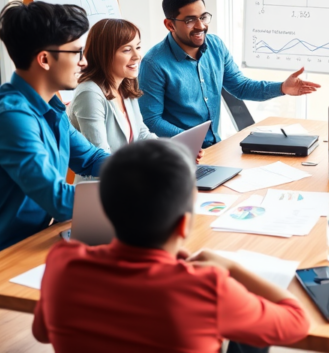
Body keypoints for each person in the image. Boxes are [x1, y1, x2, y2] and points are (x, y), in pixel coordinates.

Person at [32, 139, 310, 352]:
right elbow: (297, 321)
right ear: (183, 225)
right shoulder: (207, 287)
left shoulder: (63, 263)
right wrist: (232, 267)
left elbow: (43, 332)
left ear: (105, 210)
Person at [0, 1, 109, 272]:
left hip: (29, 240)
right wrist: (130, 193)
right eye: (77, 53)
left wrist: (143, 169)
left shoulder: (50, 105)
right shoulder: (9, 117)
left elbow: (89, 158)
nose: (84, 62)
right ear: (45, 59)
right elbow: (60, 201)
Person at [139, 0, 320, 147]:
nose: (200, 26)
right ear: (170, 24)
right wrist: (190, 141)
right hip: (179, 153)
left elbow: (240, 87)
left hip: (215, 146)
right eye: (190, 20)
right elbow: (152, 119)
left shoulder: (216, 46)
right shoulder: (154, 64)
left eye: (203, 17)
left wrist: (282, 88)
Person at [69, 18, 157, 156]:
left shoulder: (125, 84)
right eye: (127, 50)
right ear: (104, 54)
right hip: (106, 176)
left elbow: (141, 134)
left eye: (138, 47)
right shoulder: (89, 93)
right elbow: (100, 155)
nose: (137, 56)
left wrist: (173, 151)